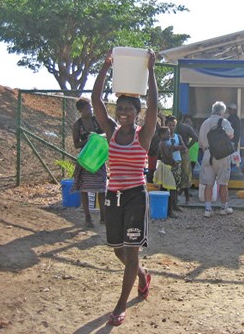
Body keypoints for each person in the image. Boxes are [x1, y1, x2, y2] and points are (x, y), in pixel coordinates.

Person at [91, 49, 157, 327]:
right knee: (117, 249)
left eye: (129, 109)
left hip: (135, 196)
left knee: (131, 250)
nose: (123, 113)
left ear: (137, 113)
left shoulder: (144, 134)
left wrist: (151, 70)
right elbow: (96, 100)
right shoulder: (112, 131)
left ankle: (120, 306)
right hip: (113, 195)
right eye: (121, 109)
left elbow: (154, 106)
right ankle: (142, 275)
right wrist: (105, 67)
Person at [71, 97, 106, 227]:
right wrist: (88, 140)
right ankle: (88, 217)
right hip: (86, 159)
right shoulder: (77, 125)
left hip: (98, 159)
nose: (90, 110)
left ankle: (103, 217)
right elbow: (76, 144)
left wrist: (97, 137)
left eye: (90, 107)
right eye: (87, 109)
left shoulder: (96, 120)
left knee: (101, 188)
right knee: (84, 189)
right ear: (80, 110)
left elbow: (106, 134)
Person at [198, 101, 234, 217]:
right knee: (223, 183)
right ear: (222, 112)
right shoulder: (224, 122)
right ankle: (224, 208)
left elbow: (200, 143)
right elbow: (231, 134)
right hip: (222, 155)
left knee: (209, 184)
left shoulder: (204, 123)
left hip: (208, 154)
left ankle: (208, 209)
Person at [154, 125, 183, 217]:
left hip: (166, 167)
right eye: (167, 133)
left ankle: (168, 209)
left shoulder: (165, 142)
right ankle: (169, 211)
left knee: (166, 188)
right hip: (167, 167)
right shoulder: (163, 143)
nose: (169, 135)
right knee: (171, 188)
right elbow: (167, 155)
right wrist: (173, 160)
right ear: (161, 135)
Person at [174, 114, 198, 204]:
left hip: (175, 152)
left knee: (177, 174)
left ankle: (177, 197)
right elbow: (195, 138)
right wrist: (187, 146)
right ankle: (187, 198)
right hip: (184, 152)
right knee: (185, 175)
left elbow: (196, 138)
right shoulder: (186, 128)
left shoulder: (174, 128)